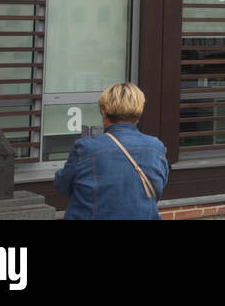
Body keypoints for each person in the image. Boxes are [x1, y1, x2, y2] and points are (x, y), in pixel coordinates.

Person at [55, 82, 169, 220]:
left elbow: (62, 186)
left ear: (104, 112)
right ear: (140, 111)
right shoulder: (156, 147)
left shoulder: (86, 148)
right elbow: (157, 188)